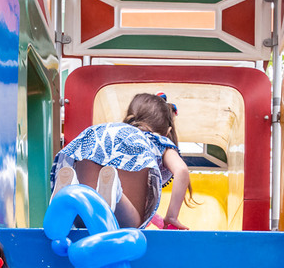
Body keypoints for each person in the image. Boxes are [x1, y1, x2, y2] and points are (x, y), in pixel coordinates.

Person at [50, 92, 193, 229]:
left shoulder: (107, 129)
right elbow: (181, 170)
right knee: (132, 223)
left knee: (85, 217)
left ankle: (69, 190)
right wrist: (172, 217)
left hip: (93, 137)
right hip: (119, 205)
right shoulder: (157, 140)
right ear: (167, 131)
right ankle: (117, 193)